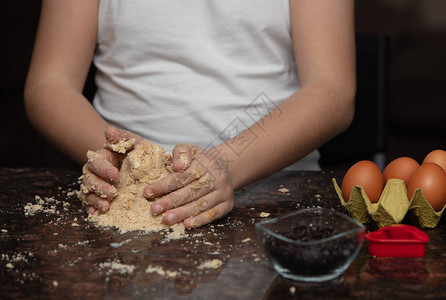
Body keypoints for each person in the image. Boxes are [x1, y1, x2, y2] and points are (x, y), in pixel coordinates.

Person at [24, 0, 356, 228]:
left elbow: (332, 91)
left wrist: (225, 164)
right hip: (124, 201)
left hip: (274, 200)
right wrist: (118, 157)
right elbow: (50, 84)